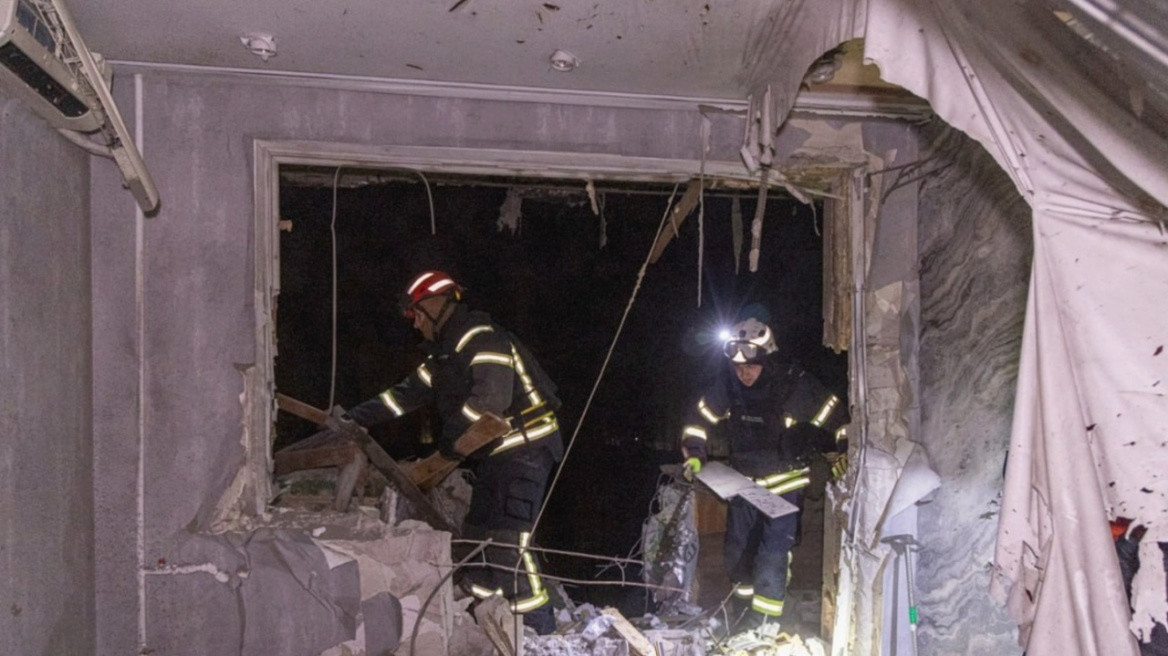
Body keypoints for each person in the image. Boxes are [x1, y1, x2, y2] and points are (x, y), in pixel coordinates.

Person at [342, 270, 563, 634]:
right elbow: (402, 397)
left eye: (415, 315)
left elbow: (490, 402)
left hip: (526, 447)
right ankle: (483, 613)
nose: (414, 325)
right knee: (476, 537)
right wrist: (355, 418)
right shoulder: (444, 358)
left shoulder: (482, 339)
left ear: (434, 305)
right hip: (495, 454)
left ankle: (537, 627)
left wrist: (451, 440)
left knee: (508, 539)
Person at [680, 316, 847, 628]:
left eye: (751, 366)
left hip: (785, 485)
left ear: (767, 361)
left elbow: (839, 419)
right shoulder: (729, 387)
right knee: (736, 553)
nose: (743, 373)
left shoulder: (792, 386)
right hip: (743, 484)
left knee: (772, 555)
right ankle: (744, 615)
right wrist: (696, 456)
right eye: (738, 367)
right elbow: (697, 421)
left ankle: (767, 624)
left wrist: (844, 452)